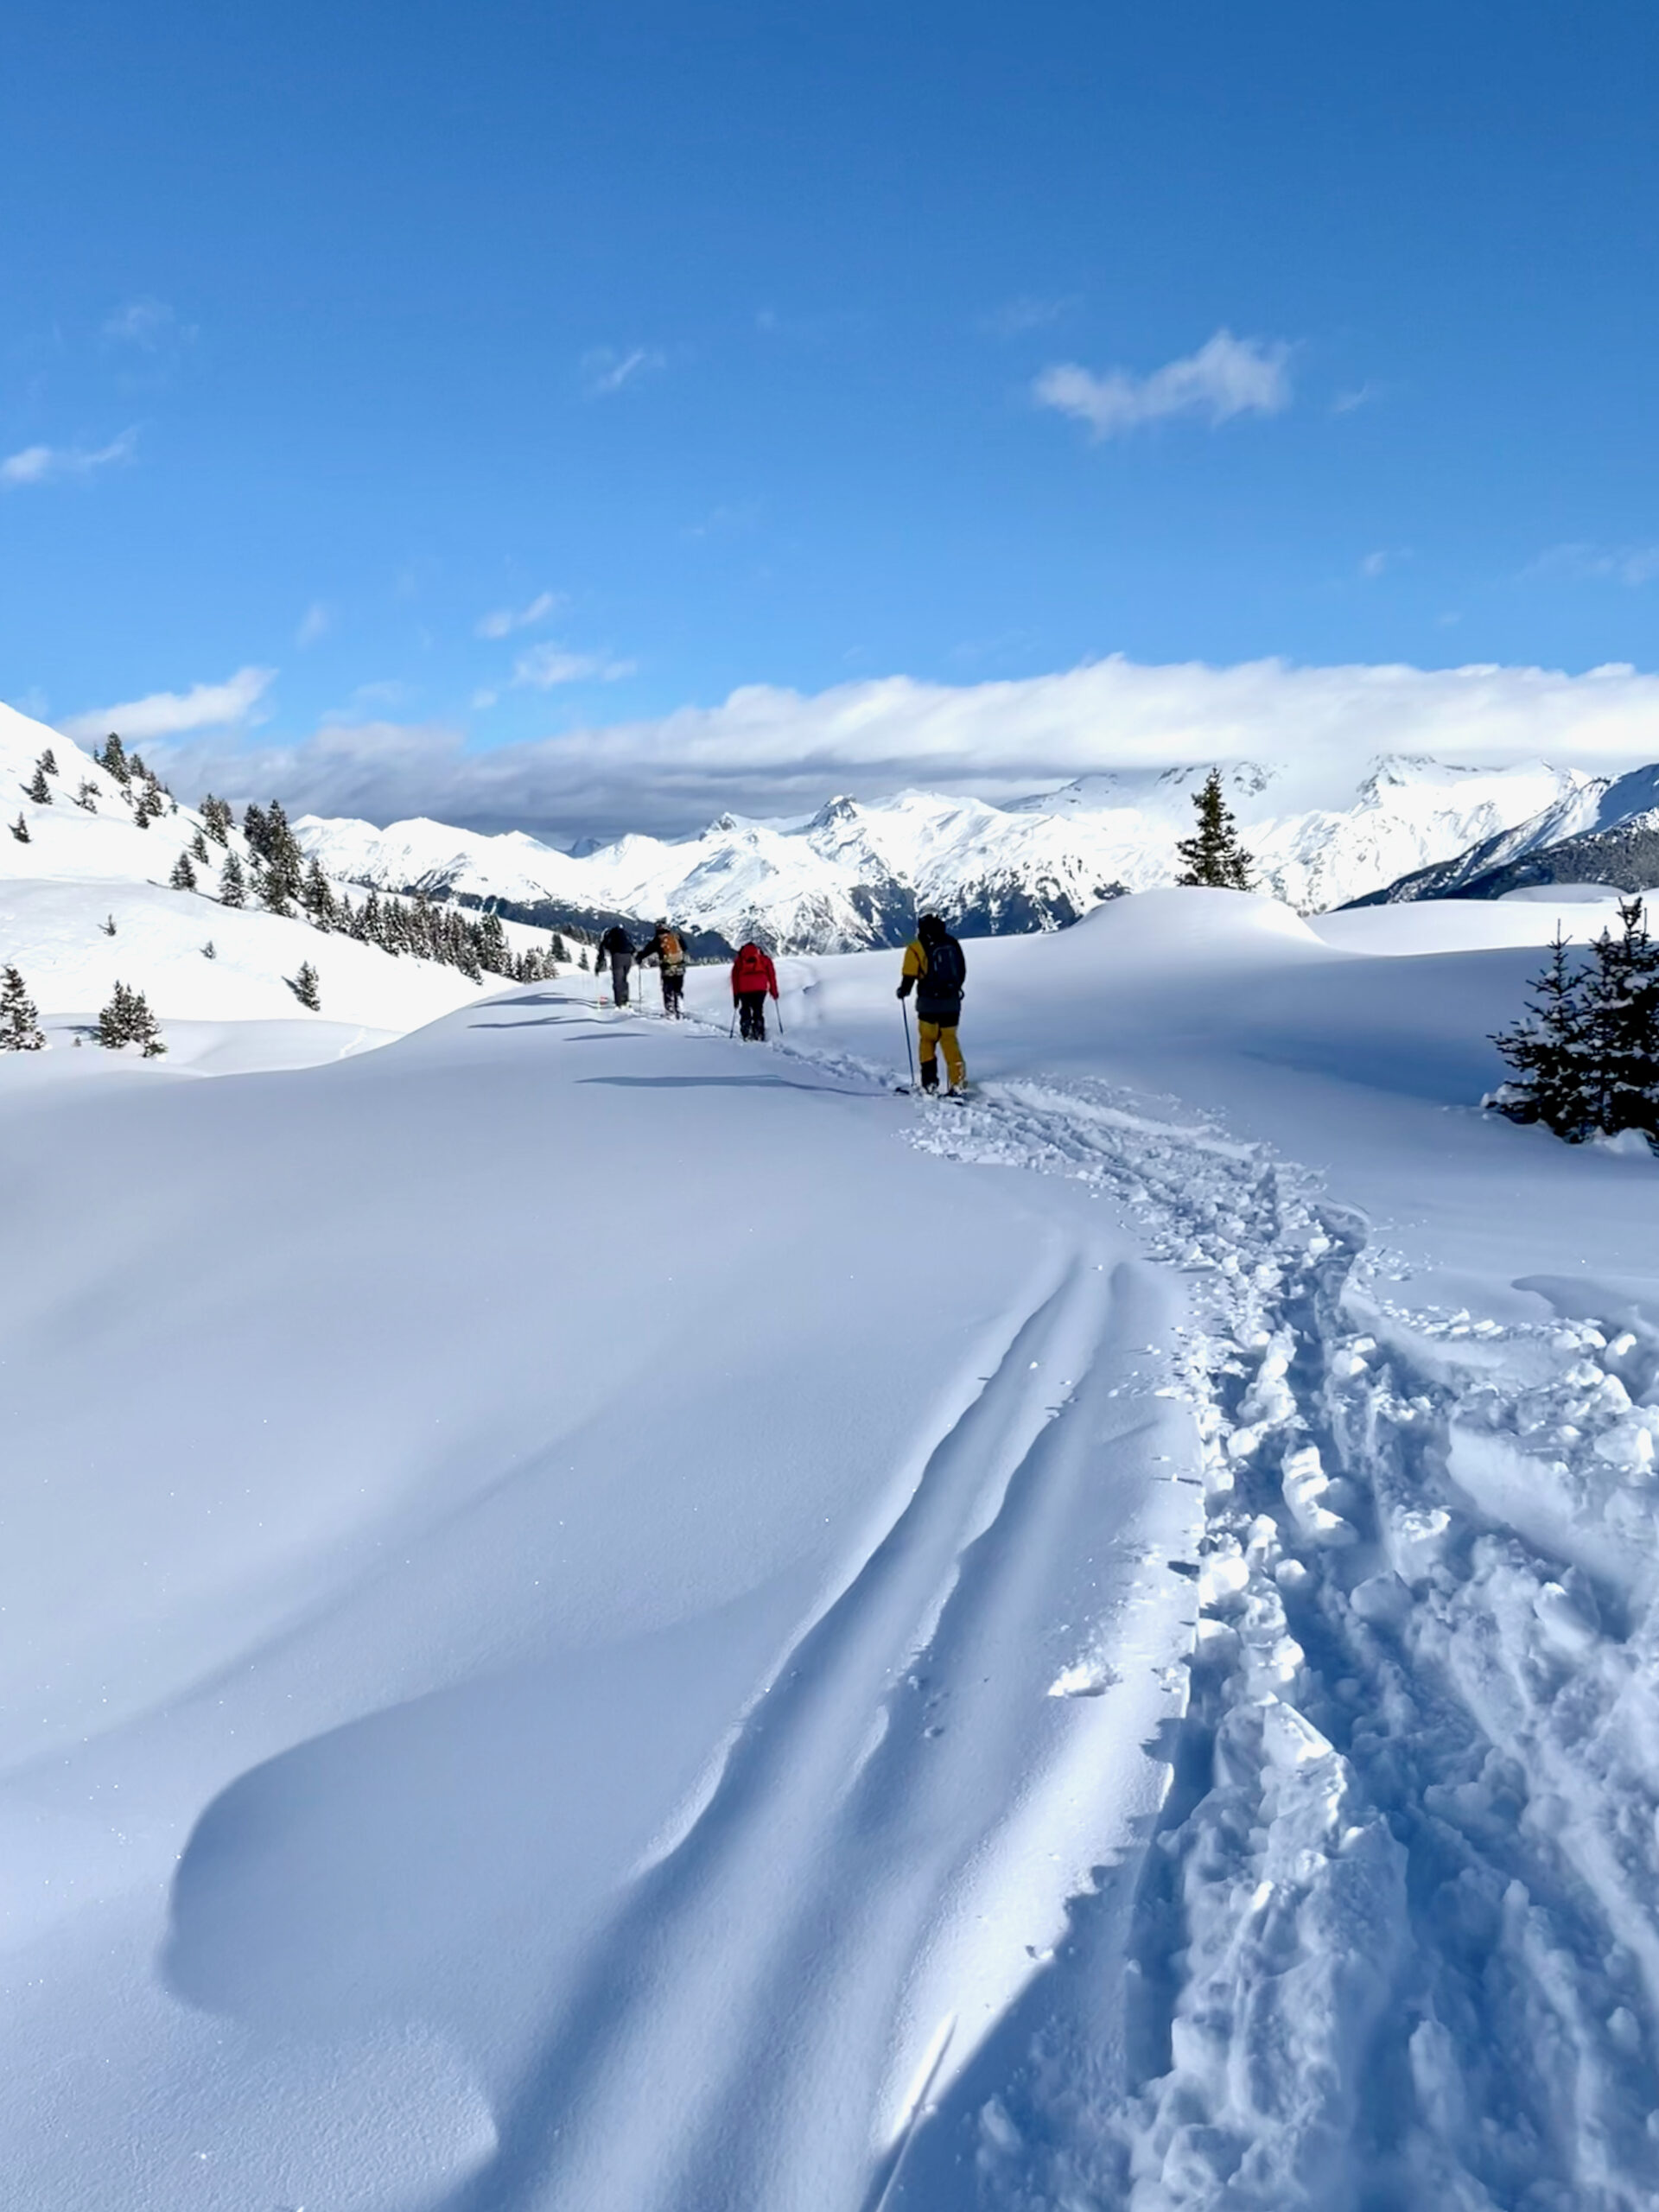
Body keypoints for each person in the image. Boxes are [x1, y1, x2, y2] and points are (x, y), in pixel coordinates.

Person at [897, 912, 968, 1093]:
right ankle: (958, 1083)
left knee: (927, 1041)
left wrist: (903, 991)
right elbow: (961, 971)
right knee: (950, 1041)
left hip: (929, 1003)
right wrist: (952, 989)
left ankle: (929, 1083)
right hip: (952, 1003)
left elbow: (909, 975)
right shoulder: (952, 942)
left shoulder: (916, 947)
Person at [637, 918, 688, 1018]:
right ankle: (680, 1009)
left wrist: (639, 957)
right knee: (678, 989)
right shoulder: (676, 936)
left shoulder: (658, 940)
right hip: (680, 966)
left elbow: (647, 950)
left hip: (667, 968)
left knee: (668, 989)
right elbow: (685, 947)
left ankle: (670, 1012)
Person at [730, 939, 779, 1040]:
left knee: (745, 1009)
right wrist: (774, 992)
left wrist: (736, 996)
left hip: (744, 989)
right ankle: (759, 1031)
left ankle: (746, 1030)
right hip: (760, 988)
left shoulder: (739, 960)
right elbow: (771, 975)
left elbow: (734, 978)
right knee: (758, 1009)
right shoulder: (763, 959)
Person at [596, 923, 636, 1007]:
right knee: (624, 979)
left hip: (617, 957)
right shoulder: (625, 935)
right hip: (628, 957)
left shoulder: (609, 935)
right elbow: (632, 948)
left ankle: (619, 1003)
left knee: (618, 980)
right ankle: (625, 1000)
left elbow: (603, 948)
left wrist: (599, 963)